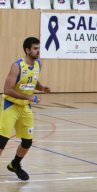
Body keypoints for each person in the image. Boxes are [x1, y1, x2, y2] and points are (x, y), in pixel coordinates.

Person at [0, 37, 51, 180]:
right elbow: (7, 90)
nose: (38, 51)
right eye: (35, 48)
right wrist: (29, 97)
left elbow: (32, 80)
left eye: (39, 48)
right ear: (27, 50)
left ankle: (14, 165)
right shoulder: (17, 66)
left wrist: (41, 87)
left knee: (27, 141)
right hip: (10, 106)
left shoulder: (38, 65)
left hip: (25, 108)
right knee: (2, 141)